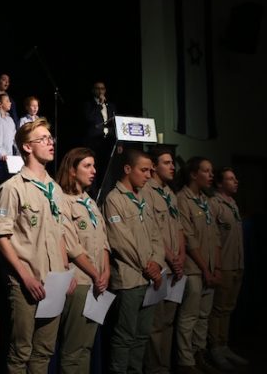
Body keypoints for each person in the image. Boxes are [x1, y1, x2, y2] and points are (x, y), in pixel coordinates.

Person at [0, 118, 68, 372]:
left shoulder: (55, 189)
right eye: (43, 139)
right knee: (21, 352)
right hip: (27, 282)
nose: (50, 143)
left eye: (51, 138)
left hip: (53, 280)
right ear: (27, 147)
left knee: (44, 351)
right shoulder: (12, 188)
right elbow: (2, 236)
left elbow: (58, 235)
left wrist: (65, 274)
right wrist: (25, 277)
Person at [103, 149, 165, 374]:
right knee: (124, 337)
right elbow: (121, 242)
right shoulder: (114, 200)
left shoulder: (144, 198)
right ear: (128, 170)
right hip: (129, 280)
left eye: (150, 170)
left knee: (141, 336)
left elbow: (157, 235)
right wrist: (148, 266)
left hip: (149, 279)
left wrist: (157, 263)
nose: (149, 175)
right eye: (144, 170)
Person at [55, 147, 111, 374]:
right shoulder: (63, 200)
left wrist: (106, 272)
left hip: (99, 282)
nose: (94, 170)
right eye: (87, 166)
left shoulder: (89, 200)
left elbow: (104, 240)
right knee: (73, 351)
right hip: (82, 282)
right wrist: (97, 275)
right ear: (72, 170)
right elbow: (71, 246)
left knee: (86, 347)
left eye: (94, 165)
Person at [140, 146, 185, 374]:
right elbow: (153, 230)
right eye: (166, 163)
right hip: (161, 265)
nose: (172, 167)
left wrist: (181, 259)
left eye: (172, 163)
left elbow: (178, 228)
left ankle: (164, 367)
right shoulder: (147, 190)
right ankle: (155, 369)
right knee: (156, 325)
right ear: (154, 167)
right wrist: (171, 258)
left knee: (168, 322)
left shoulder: (170, 193)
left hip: (176, 267)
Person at [175, 157, 221, 373]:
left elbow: (215, 237)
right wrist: (205, 269)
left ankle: (198, 353)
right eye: (206, 171)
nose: (211, 175)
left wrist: (216, 267)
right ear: (194, 174)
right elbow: (190, 239)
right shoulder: (182, 200)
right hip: (194, 270)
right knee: (189, 316)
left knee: (203, 316)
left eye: (212, 171)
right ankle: (186, 362)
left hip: (209, 269)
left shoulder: (207, 201)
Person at [207, 167, 248, 370]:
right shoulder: (215, 204)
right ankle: (215, 347)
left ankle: (224, 345)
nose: (235, 181)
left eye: (235, 178)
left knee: (228, 308)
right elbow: (213, 237)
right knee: (218, 308)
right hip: (224, 265)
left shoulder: (233, 204)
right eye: (230, 179)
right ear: (220, 183)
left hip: (237, 263)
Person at [83, 81, 116, 192]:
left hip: (108, 141)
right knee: (94, 168)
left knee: (107, 170)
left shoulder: (111, 106)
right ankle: (93, 194)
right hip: (94, 142)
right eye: (97, 88)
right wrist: (98, 105)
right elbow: (89, 119)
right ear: (93, 90)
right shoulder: (89, 105)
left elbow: (116, 123)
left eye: (102, 88)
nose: (100, 91)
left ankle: (106, 193)